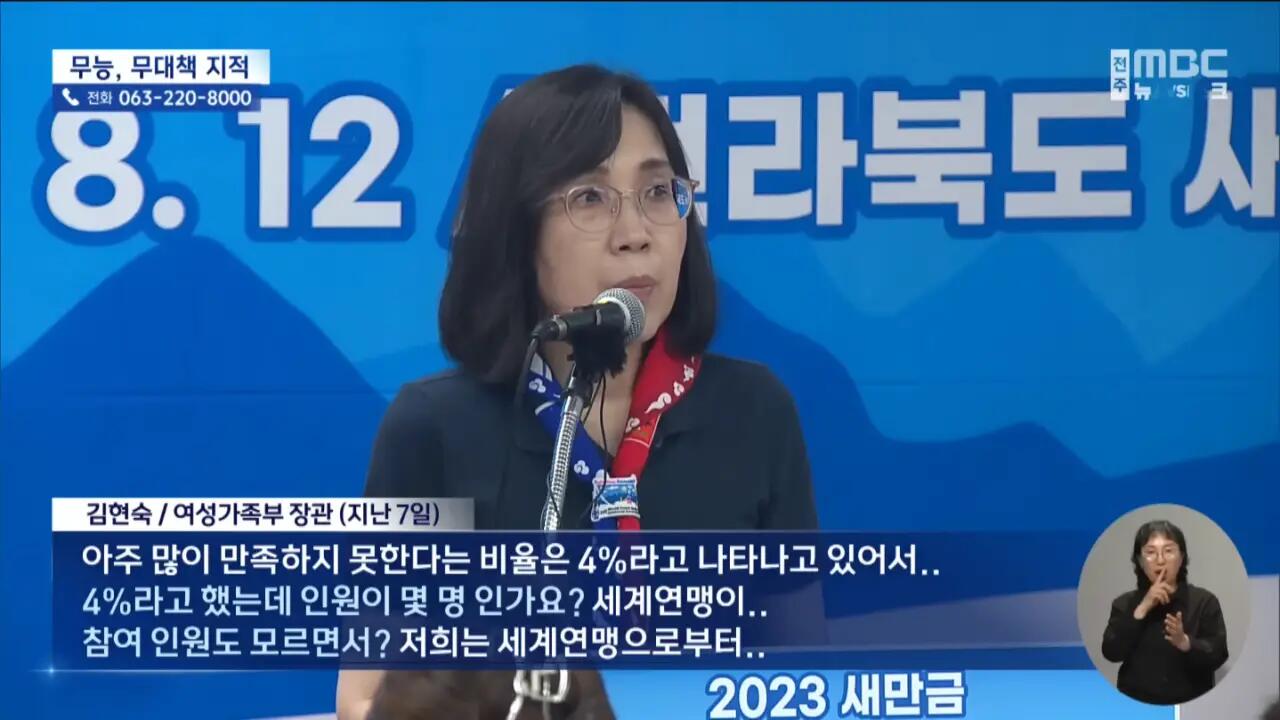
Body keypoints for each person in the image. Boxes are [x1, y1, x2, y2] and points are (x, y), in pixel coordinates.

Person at [337, 63, 818, 719]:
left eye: (658, 192)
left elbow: (801, 681)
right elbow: (366, 696)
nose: (636, 234)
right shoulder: (434, 429)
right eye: (590, 198)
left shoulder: (754, 413)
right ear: (517, 230)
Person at [1100, 520, 1229, 705]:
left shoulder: (1204, 601)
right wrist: (1142, 608)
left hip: (1191, 706)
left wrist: (1186, 642)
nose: (1160, 560)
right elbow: (1111, 652)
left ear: (1181, 558)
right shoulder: (1124, 603)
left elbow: (1219, 653)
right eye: (1150, 552)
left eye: (1168, 551)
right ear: (1139, 561)